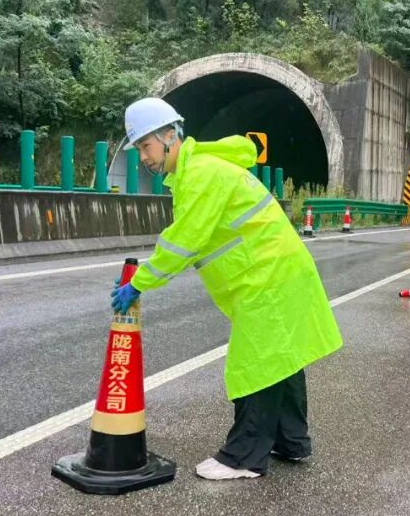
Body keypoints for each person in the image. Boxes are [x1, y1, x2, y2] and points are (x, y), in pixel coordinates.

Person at [110, 98, 343, 480]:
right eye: (138, 150)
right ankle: (292, 441)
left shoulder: (201, 174)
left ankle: (244, 457)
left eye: (146, 146)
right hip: (273, 273)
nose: (144, 158)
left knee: (256, 364)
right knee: (281, 358)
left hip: (266, 277)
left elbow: (182, 242)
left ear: (171, 136)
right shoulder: (195, 172)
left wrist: (139, 282)